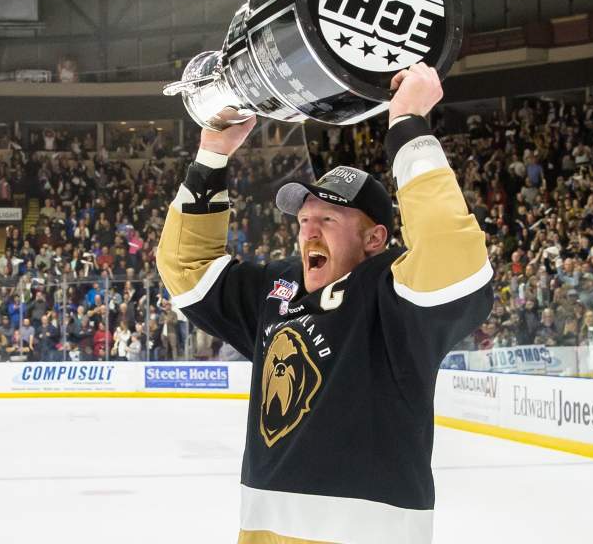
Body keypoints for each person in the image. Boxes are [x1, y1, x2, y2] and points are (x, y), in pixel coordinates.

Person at [156, 63, 491, 544]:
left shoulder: (394, 298)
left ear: (375, 238)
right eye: (304, 219)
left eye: (328, 219)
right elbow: (186, 272)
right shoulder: (279, 291)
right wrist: (211, 157)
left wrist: (409, 128)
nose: (308, 230)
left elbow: (455, 263)